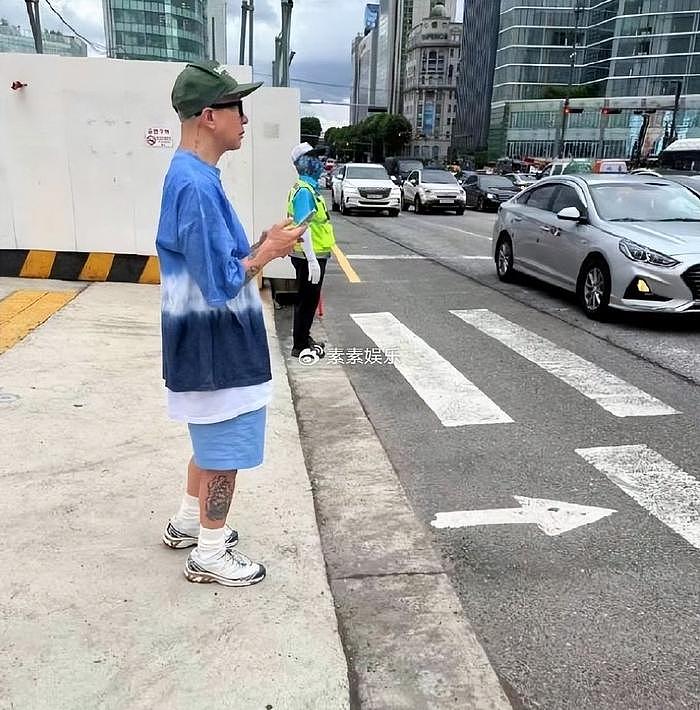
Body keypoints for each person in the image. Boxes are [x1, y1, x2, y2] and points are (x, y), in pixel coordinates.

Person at [155, 60, 306, 587]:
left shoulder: (193, 176)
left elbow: (212, 265)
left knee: (209, 439)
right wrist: (267, 251)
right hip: (216, 344)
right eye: (236, 107)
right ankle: (211, 551)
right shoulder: (195, 185)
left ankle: (183, 525)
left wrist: (257, 244)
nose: (244, 118)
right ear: (208, 116)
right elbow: (220, 284)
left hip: (201, 339)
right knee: (224, 449)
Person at [286, 143, 337, 358]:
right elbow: (303, 226)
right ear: (303, 164)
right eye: (314, 158)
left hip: (313, 254)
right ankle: (300, 345)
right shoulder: (305, 191)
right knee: (307, 300)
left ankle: (304, 337)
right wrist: (312, 260)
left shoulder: (308, 188)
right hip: (309, 255)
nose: (320, 162)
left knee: (309, 299)